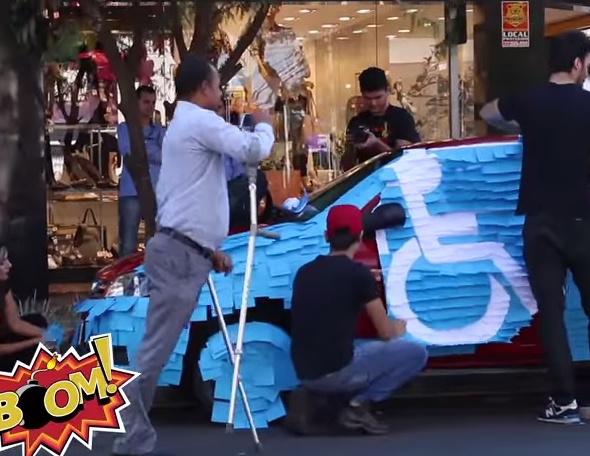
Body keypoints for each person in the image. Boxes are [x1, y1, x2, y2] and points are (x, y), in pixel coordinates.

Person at [112, 55, 274, 456]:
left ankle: (133, 432)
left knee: (155, 346)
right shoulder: (199, 122)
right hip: (182, 254)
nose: (220, 96)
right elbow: (252, 149)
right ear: (204, 88)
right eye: (218, 87)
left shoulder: (184, 125)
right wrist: (265, 121)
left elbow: (183, 196)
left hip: (186, 250)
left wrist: (209, 249)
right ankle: (131, 434)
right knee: (155, 350)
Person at [478, 30, 590, 424]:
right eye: (588, 63)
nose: (588, 69)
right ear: (577, 63)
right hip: (581, 217)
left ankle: (563, 403)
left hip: (540, 220)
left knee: (552, 312)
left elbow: (488, 113)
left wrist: (525, 128)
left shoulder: (528, 100)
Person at [286, 205, 428, 435]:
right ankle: (357, 405)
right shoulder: (358, 275)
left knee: (348, 347)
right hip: (335, 373)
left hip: (304, 371)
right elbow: (386, 332)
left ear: (326, 236)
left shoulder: (305, 272)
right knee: (415, 353)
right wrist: (399, 327)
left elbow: (332, 287)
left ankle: (313, 395)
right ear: (361, 236)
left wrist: (362, 281)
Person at [0, 241, 49, 372]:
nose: (9, 265)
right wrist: (34, 341)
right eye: (2, 262)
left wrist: (47, 334)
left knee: (38, 321)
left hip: (1, 333)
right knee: (33, 350)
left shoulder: (2, 286)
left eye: (7, 259)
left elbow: (15, 323)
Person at [116, 85, 166, 257]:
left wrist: (144, 148)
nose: (150, 106)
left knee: (156, 242)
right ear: (136, 103)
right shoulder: (125, 128)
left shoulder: (160, 130)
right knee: (128, 244)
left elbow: (165, 157)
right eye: (146, 102)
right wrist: (150, 148)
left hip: (156, 191)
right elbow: (128, 152)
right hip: (131, 191)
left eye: (153, 102)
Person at [340, 67, 421, 171]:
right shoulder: (357, 122)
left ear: (387, 91)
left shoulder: (401, 118)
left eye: (378, 97)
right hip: (367, 183)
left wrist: (376, 144)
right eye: (368, 98)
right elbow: (346, 168)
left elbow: (404, 161)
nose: (373, 103)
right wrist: (352, 148)